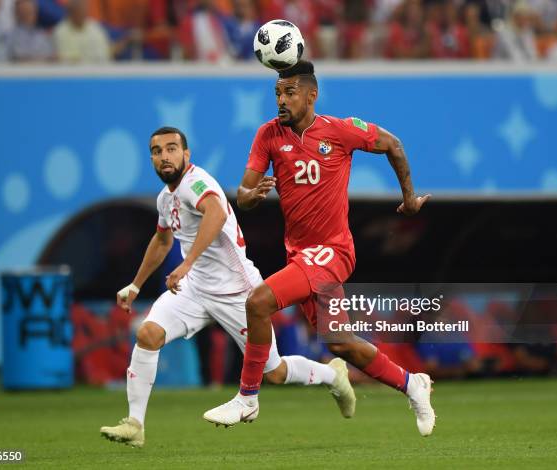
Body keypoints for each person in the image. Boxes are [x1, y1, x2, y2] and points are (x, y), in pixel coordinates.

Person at [204, 61, 436, 436]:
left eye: (290, 92)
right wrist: (253, 194)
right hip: (301, 254)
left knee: (258, 302)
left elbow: (393, 144)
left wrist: (408, 199)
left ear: (312, 95)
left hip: (334, 251)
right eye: (277, 93)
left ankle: (247, 399)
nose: (281, 99)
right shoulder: (268, 136)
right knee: (341, 343)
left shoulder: (341, 131)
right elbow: (243, 193)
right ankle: (413, 385)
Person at [100, 126, 356, 448]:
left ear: (186, 154)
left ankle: (334, 375)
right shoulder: (166, 197)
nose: (164, 156)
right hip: (194, 290)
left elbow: (217, 214)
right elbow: (163, 239)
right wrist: (136, 285)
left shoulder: (197, 182)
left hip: (238, 292)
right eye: (156, 151)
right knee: (148, 334)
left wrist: (187, 262)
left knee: (274, 372)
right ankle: (135, 424)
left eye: (171, 149)